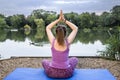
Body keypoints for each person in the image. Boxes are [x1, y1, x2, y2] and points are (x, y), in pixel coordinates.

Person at [42, 10, 78, 78]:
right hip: (66, 73)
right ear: (65, 33)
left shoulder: (52, 41)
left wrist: (58, 20)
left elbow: (48, 28)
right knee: (75, 59)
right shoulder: (68, 42)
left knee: (44, 61)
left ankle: (53, 64)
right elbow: (75, 28)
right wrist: (64, 20)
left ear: (56, 33)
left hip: (52, 73)